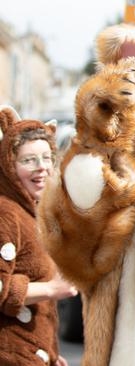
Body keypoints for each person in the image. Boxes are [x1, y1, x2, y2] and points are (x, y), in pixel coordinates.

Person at [0, 107, 77, 366]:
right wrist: (51, 289)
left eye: (47, 158)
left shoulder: (31, 211)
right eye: (29, 160)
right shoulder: (5, 213)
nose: (41, 168)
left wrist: (50, 353)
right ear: (9, 165)